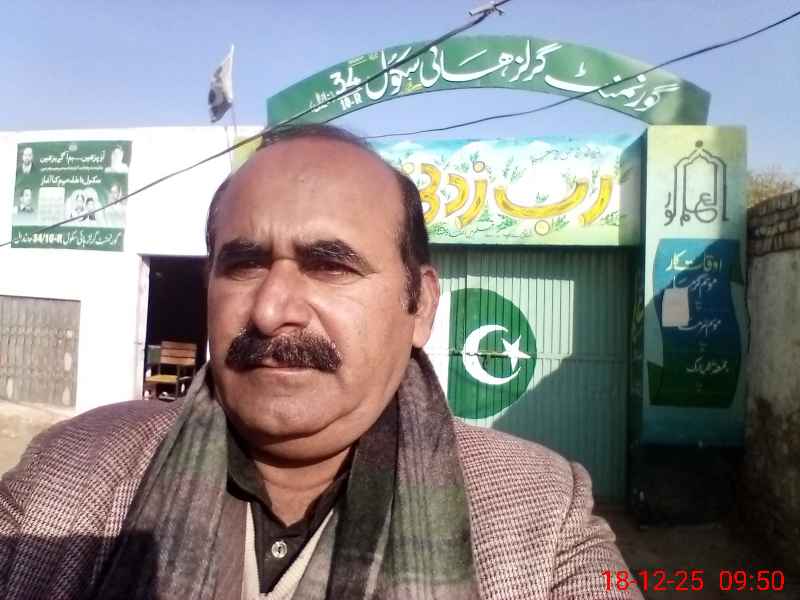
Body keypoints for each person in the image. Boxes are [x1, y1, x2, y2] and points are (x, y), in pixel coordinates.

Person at [0, 124, 641, 600]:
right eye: (243, 265)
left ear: (420, 306)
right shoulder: (72, 474)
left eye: (329, 266)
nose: (270, 310)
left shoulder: (539, 513)